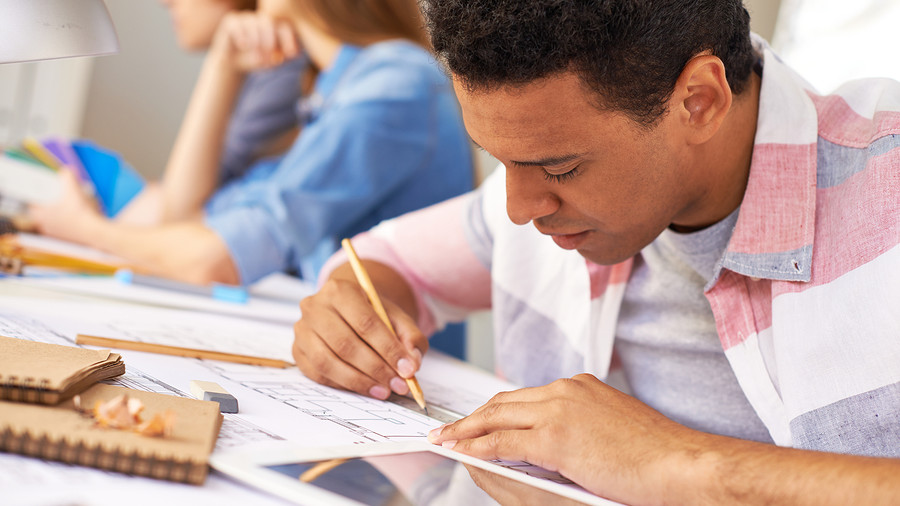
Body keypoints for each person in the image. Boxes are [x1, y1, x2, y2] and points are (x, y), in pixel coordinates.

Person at [291, 0, 900, 504]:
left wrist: (672, 463)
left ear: (699, 101)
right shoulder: (548, 178)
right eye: (501, 160)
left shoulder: (885, 187)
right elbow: (383, 267)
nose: (518, 208)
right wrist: (350, 311)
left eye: (560, 167)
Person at [29, 0, 473, 286]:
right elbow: (189, 221)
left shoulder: (395, 85)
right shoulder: (332, 87)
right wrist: (223, 66)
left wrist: (83, 229)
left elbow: (215, 259)